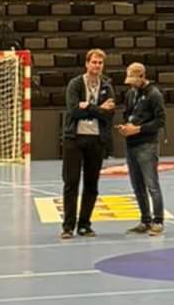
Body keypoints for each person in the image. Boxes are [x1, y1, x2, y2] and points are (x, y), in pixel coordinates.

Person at [60, 48, 115, 240]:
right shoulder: (75, 84)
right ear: (87, 63)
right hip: (74, 139)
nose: (97, 66)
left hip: (96, 140)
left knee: (92, 184)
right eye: (94, 62)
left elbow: (109, 114)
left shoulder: (106, 86)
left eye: (100, 63)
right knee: (71, 182)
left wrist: (89, 107)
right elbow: (74, 111)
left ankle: (84, 224)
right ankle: (68, 226)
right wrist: (99, 109)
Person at [119, 62, 166, 235]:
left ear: (142, 77)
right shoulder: (130, 94)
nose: (131, 84)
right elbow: (127, 114)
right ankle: (145, 220)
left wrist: (138, 129)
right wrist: (126, 126)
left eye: (134, 80)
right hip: (131, 144)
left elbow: (160, 121)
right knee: (137, 185)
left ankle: (158, 221)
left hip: (147, 145)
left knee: (152, 185)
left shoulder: (154, 94)